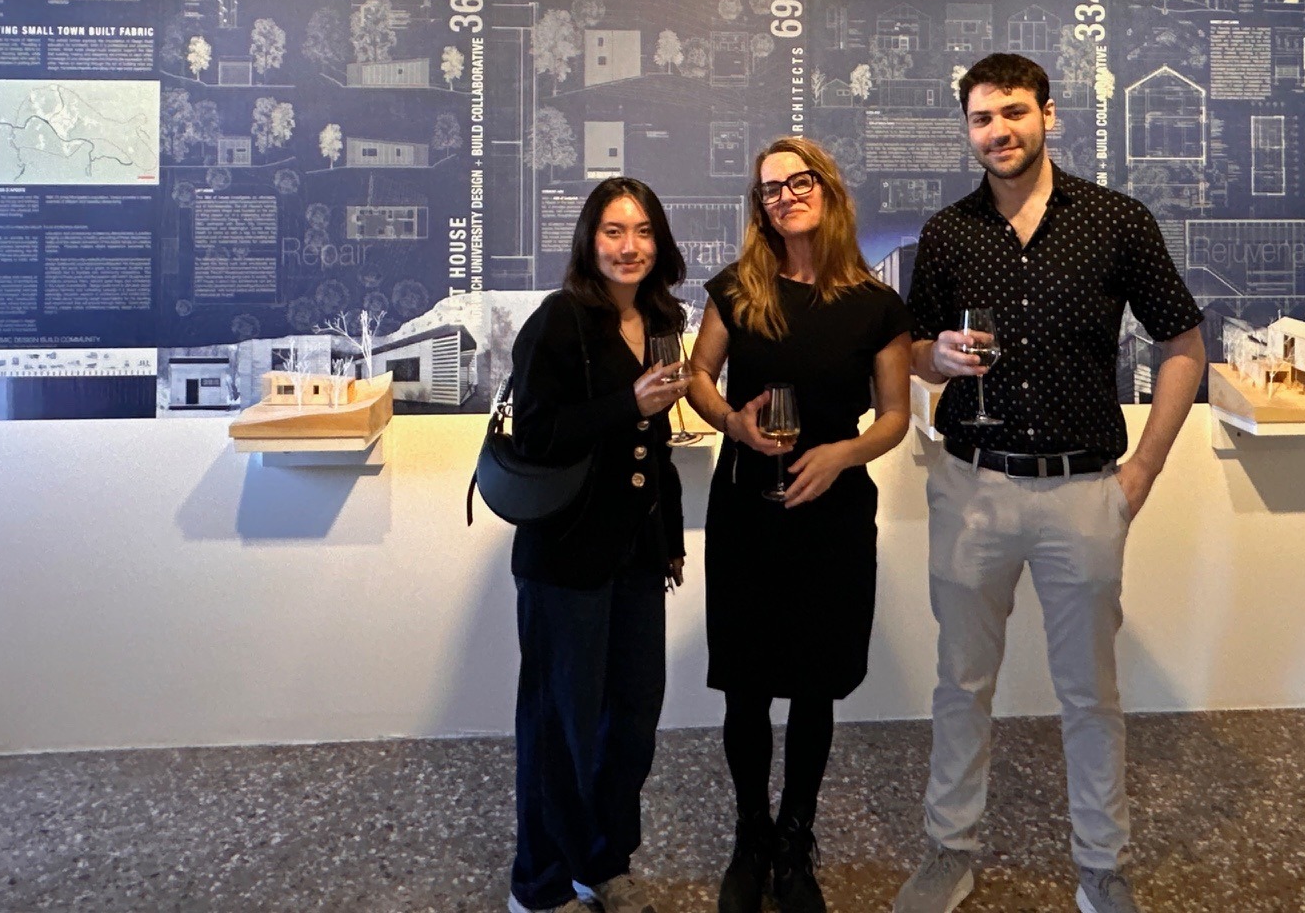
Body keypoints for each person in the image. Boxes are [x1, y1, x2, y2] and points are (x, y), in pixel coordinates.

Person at [892, 54, 1206, 913]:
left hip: (1084, 490)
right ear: (968, 130)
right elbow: (913, 351)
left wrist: (1143, 467)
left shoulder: (1115, 221)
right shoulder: (948, 234)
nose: (999, 132)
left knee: (1090, 693)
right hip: (972, 486)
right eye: (983, 119)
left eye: (1015, 113)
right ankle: (948, 850)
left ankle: (1101, 865)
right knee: (961, 683)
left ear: (1050, 117)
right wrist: (935, 360)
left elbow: (1184, 344)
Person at [685, 136, 914, 913]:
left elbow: (893, 419)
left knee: (816, 686)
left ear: (828, 189)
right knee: (745, 688)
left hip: (834, 514)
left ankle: (796, 839)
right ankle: (751, 837)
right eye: (769, 190)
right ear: (760, 208)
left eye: (797, 181)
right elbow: (696, 379)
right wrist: (733, 424)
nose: (784, 196)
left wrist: (842, 455)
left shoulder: (878, 305)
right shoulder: (737, 290)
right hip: (748, 505)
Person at [507, 178, 691, 913]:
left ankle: (603, 860)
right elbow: (536, 434)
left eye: (643, 231)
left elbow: (659, 445)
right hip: (568, 556)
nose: (630, 246)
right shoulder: (560, 322)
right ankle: (542, 881)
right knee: (560, 725)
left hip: (639, 557)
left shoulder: (662, 316)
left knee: (633, 717)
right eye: (614, 231)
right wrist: (628, 403)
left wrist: (670, 537)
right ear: (589, 240)